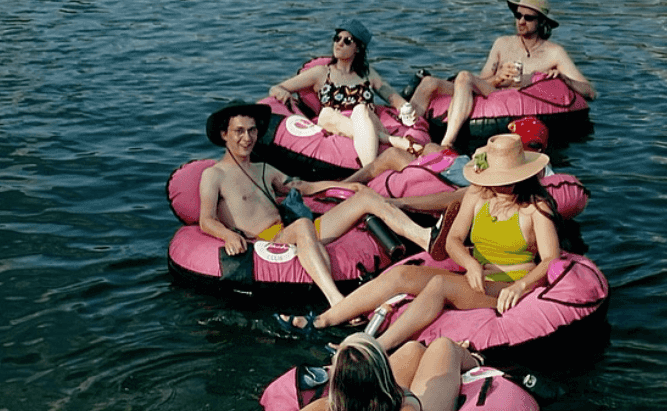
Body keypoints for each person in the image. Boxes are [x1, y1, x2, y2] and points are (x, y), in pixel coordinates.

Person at [277, 134, 560, 351]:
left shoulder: (535, 209)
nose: (497, 185)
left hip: (509, 284)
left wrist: (521, 286)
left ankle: (372, 346)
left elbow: (550, 259)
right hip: (477, 275)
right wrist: (469, 263)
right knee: (402, 274)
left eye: (504, 180)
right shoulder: (477, 196)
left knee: (439, 285)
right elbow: (454, 240)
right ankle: (322, 320)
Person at [197, 104, 438, 308]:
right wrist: (228, 236)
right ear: (224, 135)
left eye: (251, 131)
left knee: (364, 197)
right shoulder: (214, 175)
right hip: (268, 240)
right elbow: (206, 219)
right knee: (303, 225)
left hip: (295, 230)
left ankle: (425, 237)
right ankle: (336, 301)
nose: (247, 138)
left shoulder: (263, 169)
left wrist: (345, 186)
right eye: (239, 131)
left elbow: (302, 186)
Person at [408, 0, 596, 150]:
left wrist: (564, 79)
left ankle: (447, 144)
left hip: (519, 99)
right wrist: (498, 78)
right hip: (492, 90)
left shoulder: (554, 53)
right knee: (429, 82)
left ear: (541, 22)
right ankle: (406, 131)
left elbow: (590, 92)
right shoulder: (502, 44)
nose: (521, 21)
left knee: (464, 76)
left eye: (528, 18)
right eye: (518, 15)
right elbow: (481, 80)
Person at [269, 20, 420, 166]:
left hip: (366, 121)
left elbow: (392, 96)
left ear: (358, 48)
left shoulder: (368, 74)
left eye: (347, 41)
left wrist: (406, 109)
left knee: (360, 109)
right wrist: (282, 94)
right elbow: (277, 88)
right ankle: (389, 140)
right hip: (334, 123)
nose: (339, 43)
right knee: (326, 113)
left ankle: (370, 168)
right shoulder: (321, 73)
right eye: (337, 38)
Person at [341, 117, 553, 217]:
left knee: (392, 155)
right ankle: (341, 185)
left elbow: (464, 192)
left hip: (455, 179)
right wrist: (481, 162)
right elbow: (478, 157)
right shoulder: (523, 158)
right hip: (461, 168)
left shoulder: (530, 173)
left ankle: (346, 188)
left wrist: (399, 203)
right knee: (431, 147)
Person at [297, 333, 483, 411]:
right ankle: (477, 360)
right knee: (443, 346)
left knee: (413, 349)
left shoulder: (323, 407)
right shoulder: (406, 407)